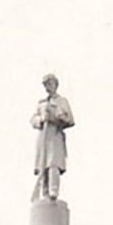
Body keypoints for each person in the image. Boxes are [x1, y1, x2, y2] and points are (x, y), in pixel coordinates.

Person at [30, 72, 75, 201]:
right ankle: (44, 193)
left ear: (55, 85)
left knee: (53, 164)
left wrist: (57, 116)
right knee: (43, 166)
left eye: (49, 84)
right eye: (45, 85)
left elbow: (70, 119)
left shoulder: (62, 101)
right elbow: (33, 119)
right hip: (43, 136)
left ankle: (53, 190)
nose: (47, 87)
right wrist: (41, 119)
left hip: (55, 135)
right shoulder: (41, 103)